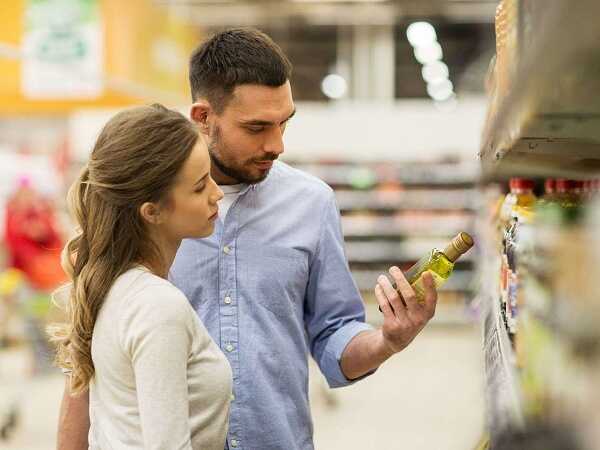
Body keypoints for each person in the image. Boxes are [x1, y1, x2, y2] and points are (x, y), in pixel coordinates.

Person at [57, 29, 438, 450]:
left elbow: (333, 332)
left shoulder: (311, 204)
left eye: (284, 123)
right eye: (256, 127)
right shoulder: (140, 213)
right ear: (203, 117)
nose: (277, 145)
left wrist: (387, 340)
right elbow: (86, 361)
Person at [50, 104, 232, 450]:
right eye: (198, 187)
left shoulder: (115, 288)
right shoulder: (158, 305)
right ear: (152, 212)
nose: (217, 193)